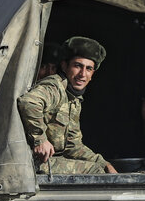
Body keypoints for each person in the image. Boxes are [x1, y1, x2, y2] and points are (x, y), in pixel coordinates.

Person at [17, 36, 117, 174]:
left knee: (102, 168)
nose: (82, 74)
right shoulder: (55, 86)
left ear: (92, 74)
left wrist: (104, 163)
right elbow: (29, 102)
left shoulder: (73, 99)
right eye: (77, 66)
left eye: (89, 69)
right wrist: (39, 139)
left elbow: (73, 146)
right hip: (30, 162)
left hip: (46, 162)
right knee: (94, 171)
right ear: (64, 66)